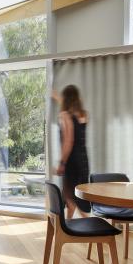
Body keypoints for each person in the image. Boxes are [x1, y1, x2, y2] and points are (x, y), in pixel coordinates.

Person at [53, 85, 91, 219]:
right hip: (83, 161)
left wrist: (62, 163)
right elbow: (75, 122)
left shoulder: (64, 115)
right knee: (76, 195)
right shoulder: (83, 114)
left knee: (70, 197)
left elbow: (68, 141)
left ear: (66, 99)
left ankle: (90, 227)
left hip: (72, 161)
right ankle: (69, 223)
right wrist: (58, 98)